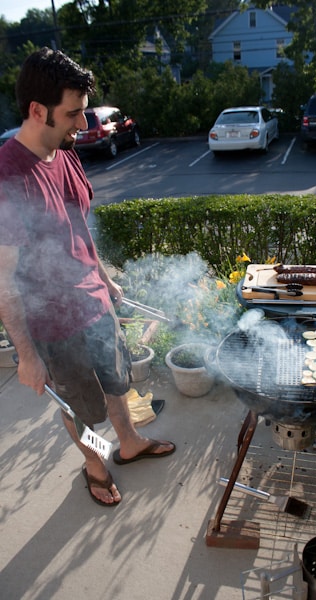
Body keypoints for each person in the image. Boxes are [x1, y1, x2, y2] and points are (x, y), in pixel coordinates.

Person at [0, 47, 175, 507]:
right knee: (81, 410)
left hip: (94, 300)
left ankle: (131, 443)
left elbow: (78, 226)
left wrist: (105, 278)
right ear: (38, 110)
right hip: (54, 324)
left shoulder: (65, 152)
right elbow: (3, 280)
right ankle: (95, 465)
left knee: (117, 382)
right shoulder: (9, 177)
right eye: (73, 113)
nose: (82, 124)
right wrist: (26, 356)